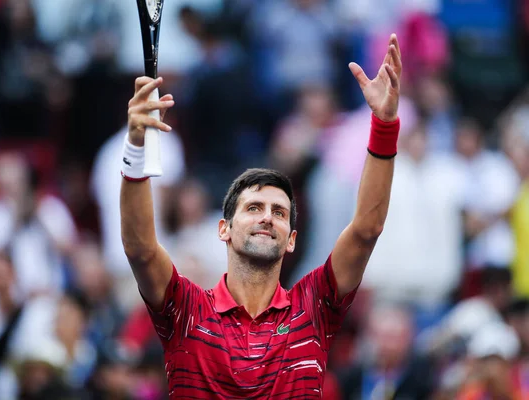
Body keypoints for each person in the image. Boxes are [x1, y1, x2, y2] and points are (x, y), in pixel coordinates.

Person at [120, 34, 402, 398]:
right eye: (253, 208)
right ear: (224, 229)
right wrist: (136, 145)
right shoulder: (187, 309)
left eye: (280, 212)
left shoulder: (314, 307)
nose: (267, 217)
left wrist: (384, 125)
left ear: (292, 239)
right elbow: (140, 249)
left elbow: (366, 229)